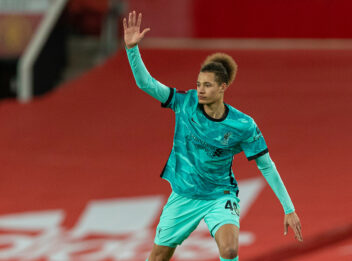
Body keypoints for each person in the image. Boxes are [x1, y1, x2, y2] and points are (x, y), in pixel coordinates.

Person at [123, 11, 303, 261]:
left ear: (223, 87)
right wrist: (132, 49)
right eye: (198, 84)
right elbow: (146, 84)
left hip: (220, 195)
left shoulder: (243, 125)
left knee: (229, 250)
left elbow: (267, 166)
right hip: (184, 195)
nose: (201, 90)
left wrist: (289, 208)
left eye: (207, 85)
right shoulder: (184, 103)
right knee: (157, 258)